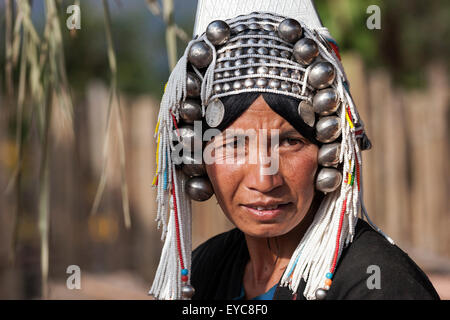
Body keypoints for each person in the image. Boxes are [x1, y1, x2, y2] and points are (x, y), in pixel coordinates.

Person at [148, 0, 440, 300]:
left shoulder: (378, 284)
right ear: (197, 156)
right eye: (234, 144)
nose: (264, 180)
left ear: (330, 151)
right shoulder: (206, 272)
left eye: (290, 142)